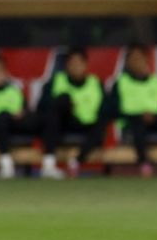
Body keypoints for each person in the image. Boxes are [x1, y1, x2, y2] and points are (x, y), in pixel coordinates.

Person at [104, 46, 157, 177]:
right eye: (133, 59)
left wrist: (153, 116)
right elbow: (113, 110)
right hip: (131, 122)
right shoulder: (120, 83)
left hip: (156, 120)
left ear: (146, 60)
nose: (137, 62)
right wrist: (138, 115)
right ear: (127, 63)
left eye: (140, 58)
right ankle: (144, 163)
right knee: (137, 127)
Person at [35, 47, 106, 179]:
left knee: (100, 126)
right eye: (72, 63)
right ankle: (48, 164)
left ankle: (76, 162)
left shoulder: (96, 83)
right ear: (67, 65)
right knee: (60, 102)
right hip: (64, 124)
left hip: (87, 125)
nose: (76, 67)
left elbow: (106, 109)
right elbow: (41, 107)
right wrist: (64, 104)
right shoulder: (56, 81)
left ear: (85, 65)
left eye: (79, 63)